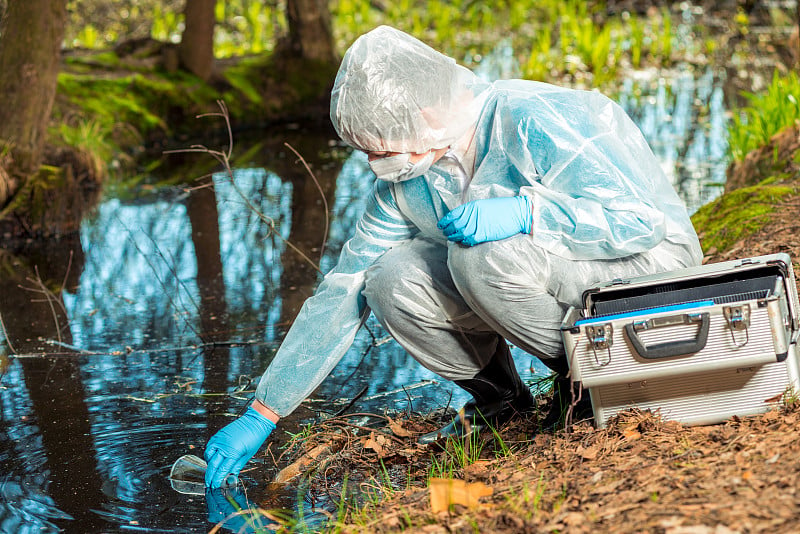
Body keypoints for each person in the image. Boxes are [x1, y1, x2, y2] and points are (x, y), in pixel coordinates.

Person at [203, 25, 703, 488]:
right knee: (388, 278)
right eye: (365, 152)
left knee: (477, 256)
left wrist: (528, 211)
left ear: (424, 116)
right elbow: (345, 284)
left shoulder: (531, 117)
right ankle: (502, 399)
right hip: (532, 270)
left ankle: (588, 381)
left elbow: (639, 220)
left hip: (645, 264)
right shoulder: (411, 177)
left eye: (379, 147)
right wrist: (264, 411)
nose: (375, 164)